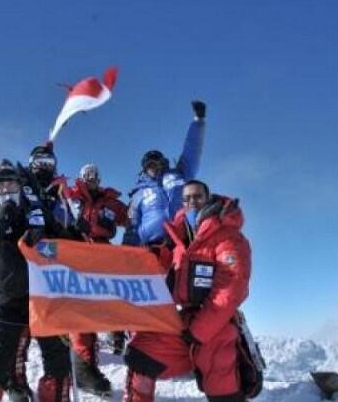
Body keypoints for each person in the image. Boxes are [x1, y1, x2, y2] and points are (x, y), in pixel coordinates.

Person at [122, 179, 252, 402]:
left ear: (208, 198)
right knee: (141, 352)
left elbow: (230, 290)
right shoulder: (180, 236)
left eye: (198, 196)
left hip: (215, 323)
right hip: (182, 320)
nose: (192, 202)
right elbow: (169, 263)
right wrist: (148, 257)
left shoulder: (227, 236)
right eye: (187, 198)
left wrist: (199, 330)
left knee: (219, 371)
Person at [0, 159, 72, 402]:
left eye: (12, 185)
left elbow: (67, 241)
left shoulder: (36, 214)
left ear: (20, 186)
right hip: (8, 302)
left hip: (44, 298)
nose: (7, 192)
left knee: (58, 358)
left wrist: (47, 228)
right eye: (1, 187)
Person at [62, 163, 128, 396]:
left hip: (103, 253)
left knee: (114, 296)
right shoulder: (70, 195)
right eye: (86, 175)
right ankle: (84, 367)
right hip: (76, 252)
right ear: (80, 177)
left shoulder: (111, 202)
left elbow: (131, 218)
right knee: (81, 308)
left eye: (94, 176)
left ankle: (117, 333)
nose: (91, 178)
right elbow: (54, 205)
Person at [122, 100, 206, 247]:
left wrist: (198, 122)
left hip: (184, 240)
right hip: (152, 246)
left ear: (163, 162)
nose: (152, 167)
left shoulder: (180, 174)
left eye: (155, 162)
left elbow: (192, 150)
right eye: (148, 165)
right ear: (144, 169)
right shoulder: (138, 194)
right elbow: (132, 226)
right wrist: (127, 251)